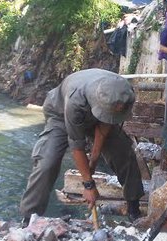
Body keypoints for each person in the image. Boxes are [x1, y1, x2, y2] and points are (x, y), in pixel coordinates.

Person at [19, 68, 145, 225]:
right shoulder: (75, 100)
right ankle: (29, 218)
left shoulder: (123, 93)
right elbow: (76, 146)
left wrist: (93, 161)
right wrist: (88, 185)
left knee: (123, 153)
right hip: (61, 115)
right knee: (47, 162)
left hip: (97, 116)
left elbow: (104, 128)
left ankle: (134, 209)